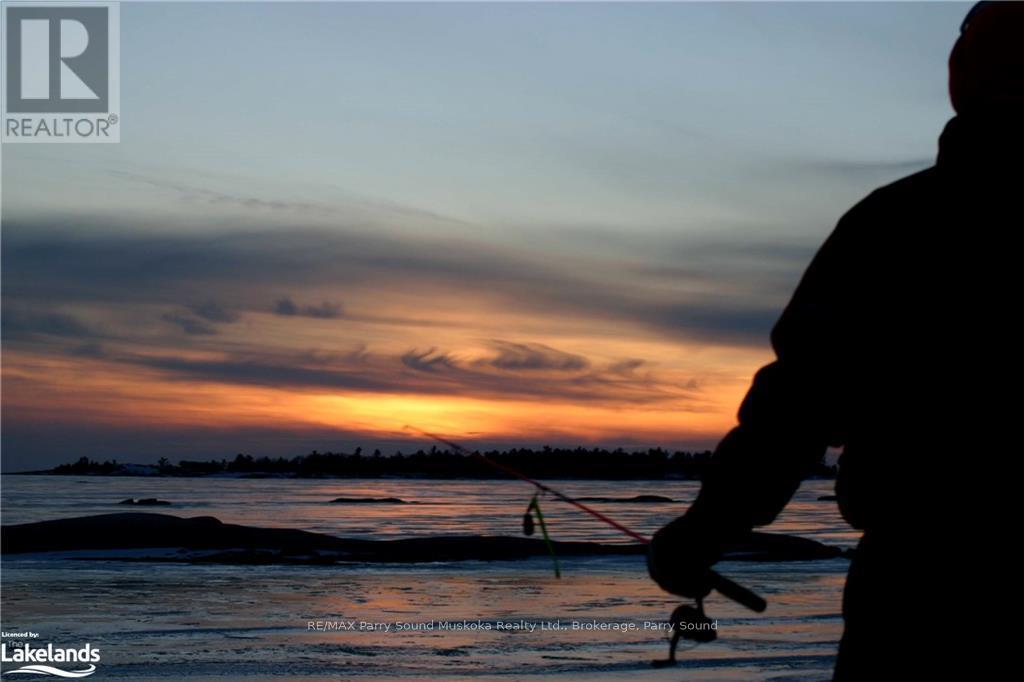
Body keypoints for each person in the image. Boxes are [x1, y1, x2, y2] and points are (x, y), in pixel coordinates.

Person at [647, 2, 1023, 678]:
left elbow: (799, 400)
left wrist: (706, 528)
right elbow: (801, 396)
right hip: (916, 572)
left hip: (925, 584)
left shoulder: (900, 224)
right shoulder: (895, 221)